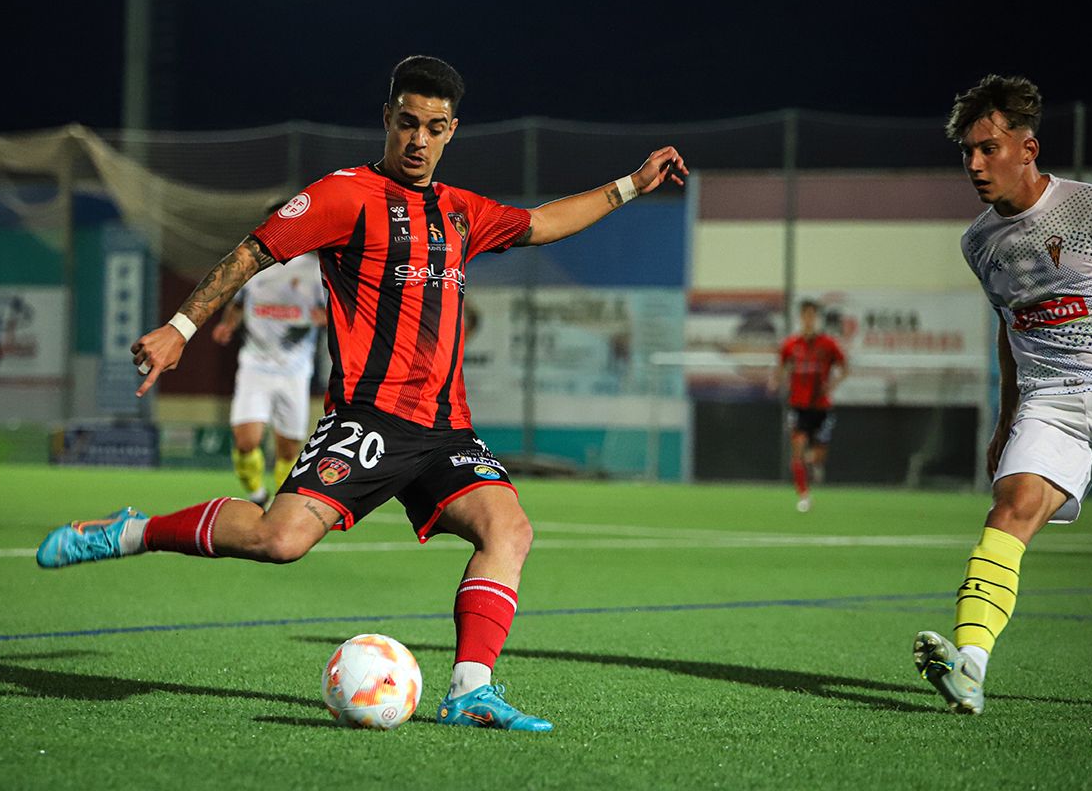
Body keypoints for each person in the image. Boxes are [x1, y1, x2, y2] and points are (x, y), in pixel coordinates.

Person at [35, 55, 687, 732]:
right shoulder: (343, 196)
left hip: (445, 432)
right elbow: (251, 253)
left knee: (508, 529)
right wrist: (179, 328)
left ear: (451, 131)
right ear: (387, 119)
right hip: (368, 420)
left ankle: (469, 689)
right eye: (407, 123)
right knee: (276, 541)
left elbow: (541, 222)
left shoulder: (462, 213)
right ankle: (130, 531)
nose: (418, 140)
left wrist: (633, 185)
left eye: (434, 128)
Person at [912, 75, 1092, 715]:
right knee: (1011, 507)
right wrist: (1006, 418)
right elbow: (1008, 324)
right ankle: (969, 668)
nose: (974, 163)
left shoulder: (1091, 211)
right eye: (966, 151)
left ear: (1029, 148)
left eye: (987, 148)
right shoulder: (979, 242)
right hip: (1050, 397)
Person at [211, 212, 327, 507]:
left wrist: (323, 318)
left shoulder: (315, 270)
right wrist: (228, 324)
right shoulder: (254, 268)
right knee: (246, 441)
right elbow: (238, 304)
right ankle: (256, 494)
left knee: (288, 451)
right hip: (255, 367)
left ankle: (281, 504)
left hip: (295, 371)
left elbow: (339, 313)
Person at [767, 299, 847, 512]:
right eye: (805, 315)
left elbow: (844, 368)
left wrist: (832, 385)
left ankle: (815, 464)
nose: (809, 319)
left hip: (821, 407)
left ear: (817, 318)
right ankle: (804, 496)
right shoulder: (791, 345)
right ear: (801, 317)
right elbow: (781, 368)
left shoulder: (828, 344)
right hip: (799, 405)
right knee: (798, 448)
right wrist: (777, 380)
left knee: (818, 455)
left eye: (812, 315)